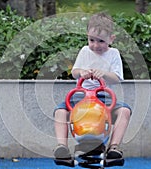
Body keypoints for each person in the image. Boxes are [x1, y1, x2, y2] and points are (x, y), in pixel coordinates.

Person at [53, 12, 131, 159]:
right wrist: (81, 72)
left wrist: (104, 74)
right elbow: (75, 72)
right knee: (60, 111)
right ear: (87, 37)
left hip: (104, 98)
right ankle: (61, 146)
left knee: (125, 111)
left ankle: (114, 147)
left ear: (111, 39)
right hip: (81, 96)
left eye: (101, 41)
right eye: (92, 40)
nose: (95, 45)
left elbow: (117, 78)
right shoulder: (84, 51)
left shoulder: (114, 54)